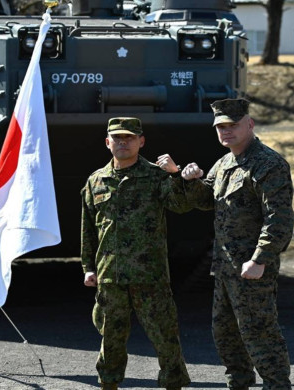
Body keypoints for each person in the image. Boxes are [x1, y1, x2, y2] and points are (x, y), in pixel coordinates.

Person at [175, 98, 294, 390]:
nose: (226, 132)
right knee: (225, 333)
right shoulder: (225, 162)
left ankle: (277, 386)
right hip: (226, 267)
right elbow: (206, 201)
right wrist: (191, 180)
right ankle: (238, 383)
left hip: (252, 267)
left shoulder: (268, 163)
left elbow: (278, 218)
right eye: (220, 127)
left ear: (250, 124)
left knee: (259, 332)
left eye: (233, 125)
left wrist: (261, 259)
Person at [80, 117, 191, 390]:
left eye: (129, 138)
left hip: (150, 275)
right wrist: (88, 267)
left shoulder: (156, 175)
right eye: (117, 138)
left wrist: (176, 175)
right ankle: (109, 384)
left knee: (165, 337)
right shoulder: (96, 180)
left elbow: (181, 206)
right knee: (111, 338)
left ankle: (173, 384)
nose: (123, 143)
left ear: (141, 142)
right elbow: (88, 229)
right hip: (110, 275)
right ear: (108, 143)